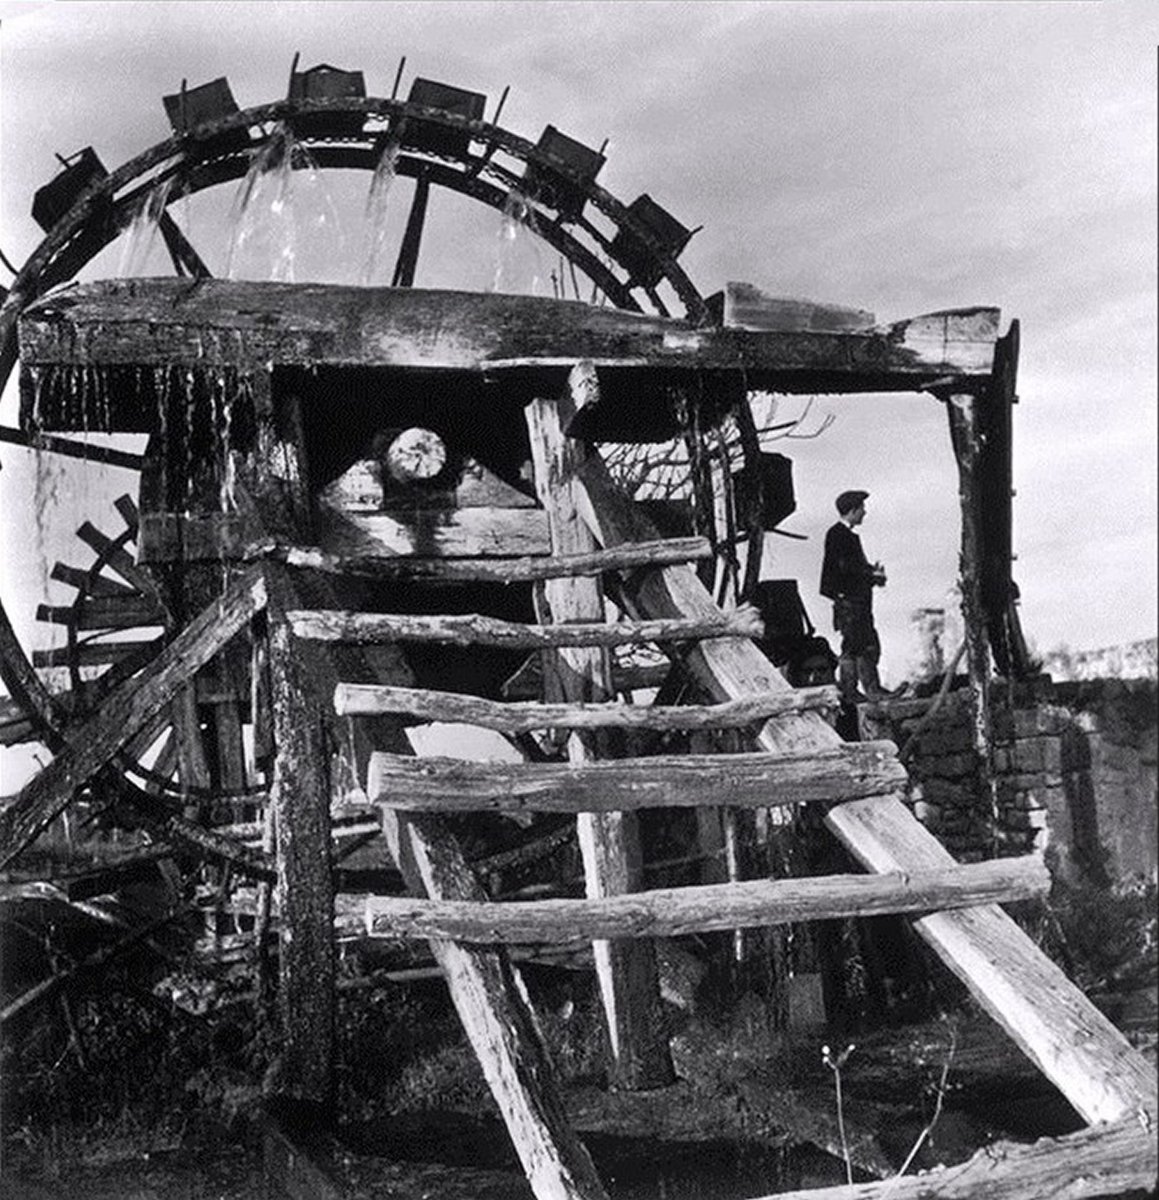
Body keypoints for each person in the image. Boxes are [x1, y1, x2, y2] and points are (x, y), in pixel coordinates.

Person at [819, 489, 896, 703]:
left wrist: (872, 574)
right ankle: (858, 691)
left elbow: (851, 568)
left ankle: (861, 690)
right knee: (858, 645)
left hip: (855, 601)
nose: (865, 512)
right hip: (850, 602)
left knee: (860, 643)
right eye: (862, 508)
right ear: (852, 511)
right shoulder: (839, 534)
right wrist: (871, 574)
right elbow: (846, 568)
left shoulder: (843, 534)